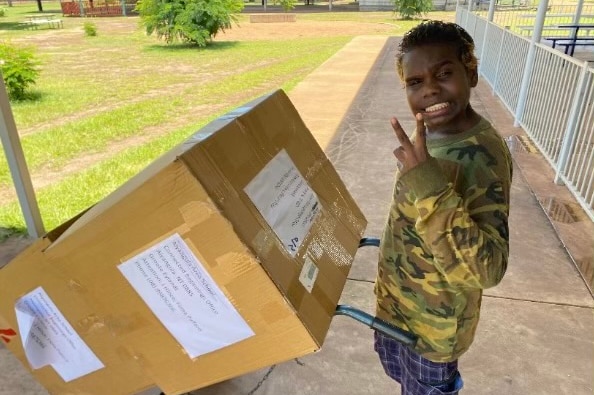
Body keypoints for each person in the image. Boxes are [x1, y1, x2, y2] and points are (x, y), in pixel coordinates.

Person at [373, 20, 513, 394]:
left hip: (433, 329)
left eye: (444, 73)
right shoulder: (432, 137)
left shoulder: (480, 157)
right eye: (415, 82)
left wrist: (427, 181)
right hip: (403, 306)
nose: (430, 89)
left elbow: (488, 268)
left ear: (472, 73)